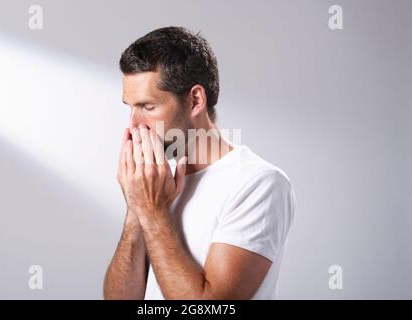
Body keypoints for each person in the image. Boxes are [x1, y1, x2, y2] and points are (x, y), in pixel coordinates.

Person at [103, 26, 295, 300]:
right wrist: (137, 209)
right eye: (130, 107)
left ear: (195, 100)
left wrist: (154, 212)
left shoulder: (258, 183)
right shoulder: (156, 183)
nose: (133, 125)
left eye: (148, 107)